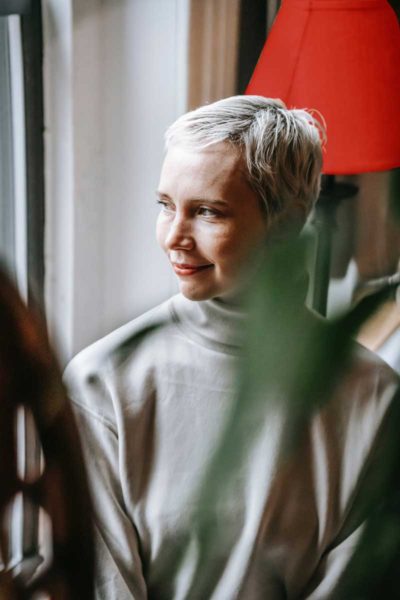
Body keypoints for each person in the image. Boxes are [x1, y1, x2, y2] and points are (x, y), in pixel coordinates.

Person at [64, 96, 399, 599]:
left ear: (286, 224)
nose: (174, 237)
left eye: (207, 212)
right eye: (165, 206)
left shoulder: (374, 396)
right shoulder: (102, 381)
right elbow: (97, 579)